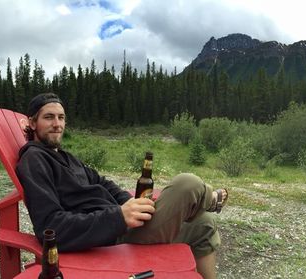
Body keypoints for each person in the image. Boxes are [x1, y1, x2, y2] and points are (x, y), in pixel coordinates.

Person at [16, 93, 227, 279]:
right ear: (32, 123)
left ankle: (207, 204)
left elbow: (101, 182)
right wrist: (118, 217)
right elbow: (50, 227)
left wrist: (128, 203)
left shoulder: (64, 157)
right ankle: (210, 199)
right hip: (110, 239)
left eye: (61, 117)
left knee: (204, 224)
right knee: (187, 184)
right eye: (48, 117)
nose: (57, 124)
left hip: (124, 224)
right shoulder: (34, 160)